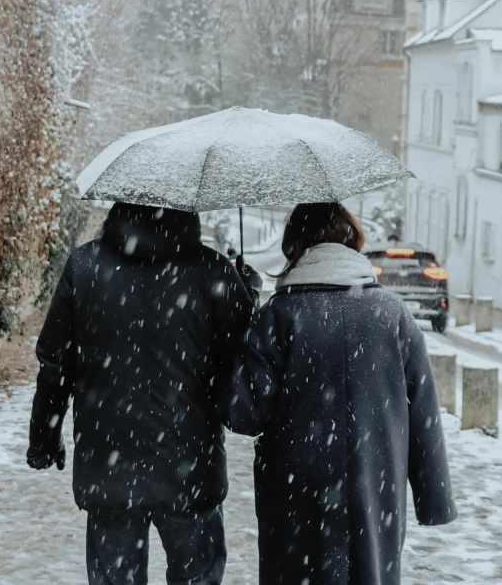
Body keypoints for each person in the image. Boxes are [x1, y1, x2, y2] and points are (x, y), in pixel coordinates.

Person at [27, 202, 261, 585]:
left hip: (110, 467)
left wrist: (43, 438)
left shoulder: (84, 266)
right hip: (190, 468)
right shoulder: (211, 268)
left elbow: (55, 364)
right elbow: (240, 359)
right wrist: (246, 296)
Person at [226, 202, 457, 585]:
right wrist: (434, 499)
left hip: (295, 498)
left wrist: (243, 319)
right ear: (352, 243)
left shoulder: (278, 314)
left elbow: (245, 415)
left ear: (294, 246)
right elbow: (424, 413)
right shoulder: (393, 313)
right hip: (375, 493)